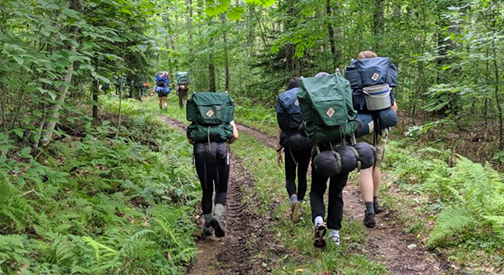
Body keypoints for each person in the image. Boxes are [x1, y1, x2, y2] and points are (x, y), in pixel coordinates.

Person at [307, 72, 351, 248]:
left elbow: (306, 129)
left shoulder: (312, 101)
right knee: (336, 192)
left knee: (317, 190)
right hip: (343, 152)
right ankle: (335, 234)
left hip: (321, 153)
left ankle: (318, 220)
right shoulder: (342, 98)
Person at [355, 50, 398, 228]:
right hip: (381, 127)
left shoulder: (356, 84)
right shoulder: (383, 83)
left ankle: (369, 210)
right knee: (376, 166)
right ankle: (375, 200)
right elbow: (394, 108)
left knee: (365, 167)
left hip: (363, 128)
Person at [189, 121, 239, 237]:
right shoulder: (225, 114)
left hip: (201, 153)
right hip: (221, 152)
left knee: (206, 190)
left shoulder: (199, 115)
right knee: (221, 189)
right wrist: (227, 142)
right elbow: (235, 135)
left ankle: (207, 225)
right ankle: (216, 216)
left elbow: (190, 139)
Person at [276, 77, 312, 223]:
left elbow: (281, 126)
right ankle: (301, 204)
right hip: (307, 140)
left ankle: (293, 200)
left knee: (290, 176)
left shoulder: (284, 99)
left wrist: (278, 149)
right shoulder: (308, 96)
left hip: (290, 142)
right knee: (302, 174)